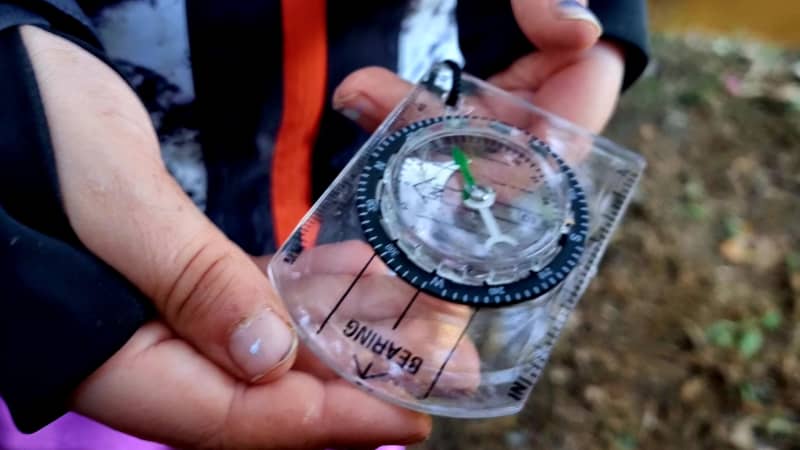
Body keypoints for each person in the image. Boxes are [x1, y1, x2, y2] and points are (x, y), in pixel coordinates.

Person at [0, 0, 650, 449]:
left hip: (399, 207)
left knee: (357, 413)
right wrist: (12, 100)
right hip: (86, 258)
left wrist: (593, 17)